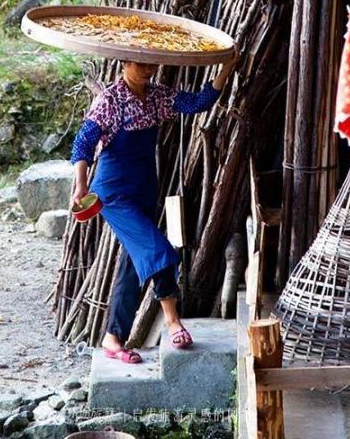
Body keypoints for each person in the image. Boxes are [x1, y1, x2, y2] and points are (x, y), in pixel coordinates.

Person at [69, 54, 238, 364]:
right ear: (124, 63)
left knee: (132, 269)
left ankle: (113, 337)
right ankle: (173, 321)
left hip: (145, 190)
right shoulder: (110, 100)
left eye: (151, 65)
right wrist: (81, 185)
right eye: (140, 64)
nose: (148, 71)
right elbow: (83, 145)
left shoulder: (158, 96)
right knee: (158, 250)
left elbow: (198, 103)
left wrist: (226, 69)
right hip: (114, 194)